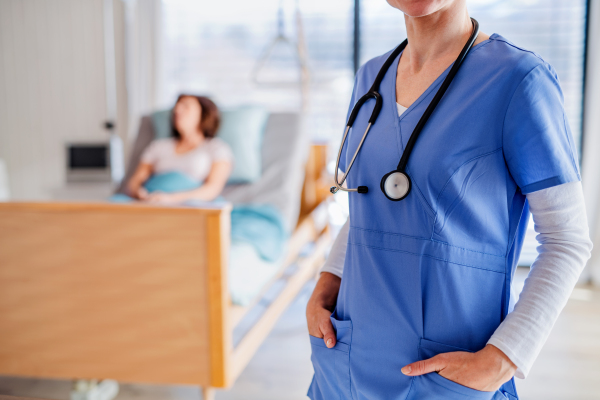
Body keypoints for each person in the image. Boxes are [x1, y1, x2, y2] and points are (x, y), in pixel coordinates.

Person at [305, 1, 593, 399]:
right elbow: (372, 203)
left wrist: (504, 358)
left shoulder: (518, 80)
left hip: (447, 375)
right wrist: (325, 284)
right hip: (347, 360)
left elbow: (567, 240)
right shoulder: (372, 76)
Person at [126, 95, 233, 204]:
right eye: (177, 106)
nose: (177, 110)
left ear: (203, 115)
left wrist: (170, 199)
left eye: (186, 106)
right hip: (151, 201)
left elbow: (212, 189)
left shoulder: (216, 148)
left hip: (190, 205)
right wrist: (138, 192)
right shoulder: (158, 146)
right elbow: (135, 181)